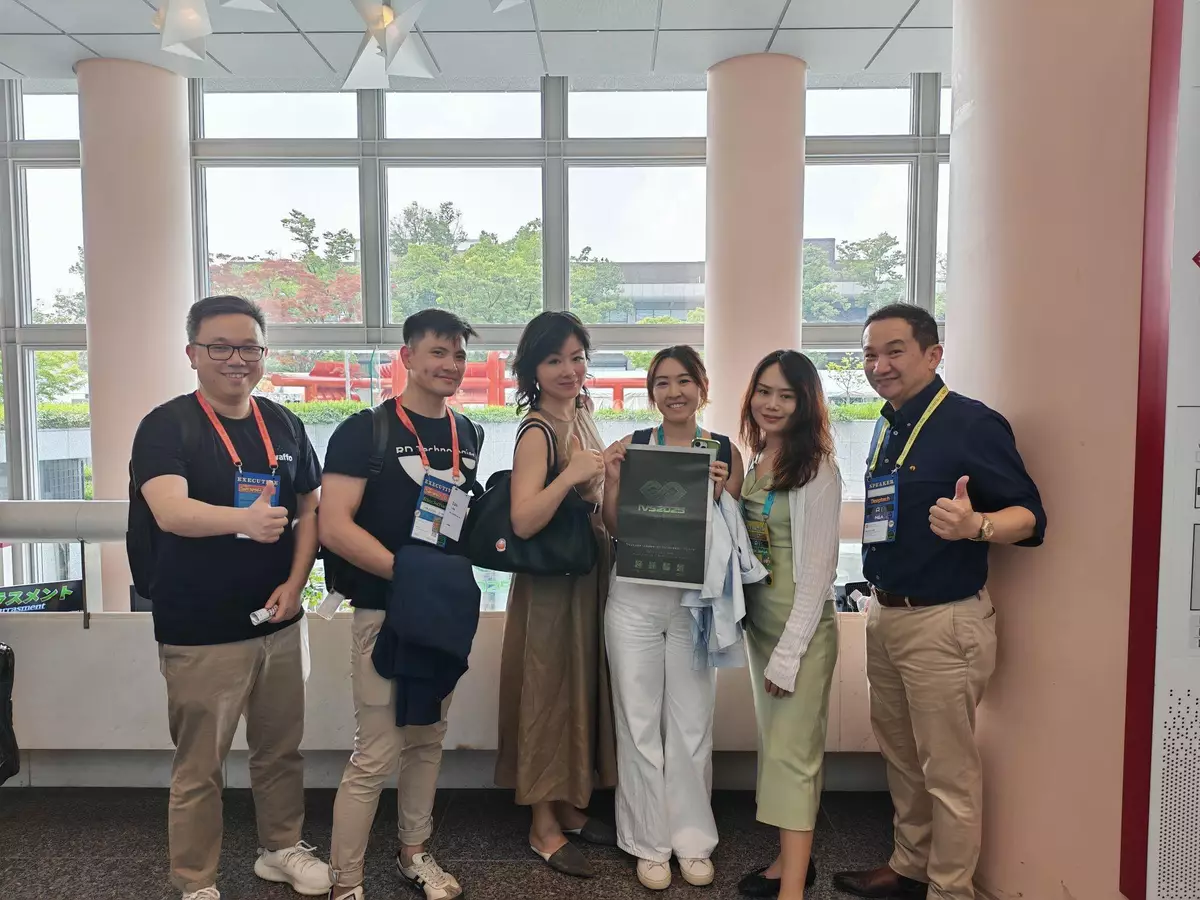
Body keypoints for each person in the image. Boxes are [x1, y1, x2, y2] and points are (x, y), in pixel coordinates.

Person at [833, 304, 1046, 900]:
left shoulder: (971, 424)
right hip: (885, 614)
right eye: (870, 354)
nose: (879, 365)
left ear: (933, 354)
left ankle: (950, 889)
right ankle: (910, 865)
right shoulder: (888, 425)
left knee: (948, 772)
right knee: (901, 757)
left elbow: (1031, 517)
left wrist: (977, 525)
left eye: (894, 351)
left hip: (943, 621)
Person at [130, 295, 332, 900]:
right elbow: (169, 510)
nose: (236, 359)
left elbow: (310, 509)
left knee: (280, 751)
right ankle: (196, 881)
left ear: (264, 353)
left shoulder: (284, 423)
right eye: (219, 346)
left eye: (249, 347)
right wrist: (243, 521)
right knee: (201, 765)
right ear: (192, 353)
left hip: (277, 619)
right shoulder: (168, 425)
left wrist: (296, 584)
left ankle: (281, 848)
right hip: (201, 626)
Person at [320, 309, 486, 900]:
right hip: (384, 611)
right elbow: (334, 525)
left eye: (459, 354)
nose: (450, 364)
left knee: (427, 740)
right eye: (438, 352)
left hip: (440, 615)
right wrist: (410, 575)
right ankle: (346, 881)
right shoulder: (364, 431)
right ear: (408, 357)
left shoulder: (468, 431)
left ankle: (414, 853)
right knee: (375, 754)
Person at [599, 345, 744, 891]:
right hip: (634, 600)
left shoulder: (722, 450)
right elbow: (616, 528)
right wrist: (614, 480)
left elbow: (732, 536)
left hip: (693, 604)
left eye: (685, 380)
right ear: (651, 393)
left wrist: (721, 492)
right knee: (637, 722)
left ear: (702, 387)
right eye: (662, 382)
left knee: (691, 724)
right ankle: (648, 843)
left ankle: (692, 841)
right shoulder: (636, 446)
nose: (674, 391)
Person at [495, 311, 620, 878]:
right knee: (547, 692)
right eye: (554, 360)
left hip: (586, 574)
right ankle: (542, 824)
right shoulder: (537, 430)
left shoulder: (582, 414)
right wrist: (571, 477)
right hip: (550, 584)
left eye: (577, 357)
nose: (569, 369)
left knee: (579, 687)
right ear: (533, 369)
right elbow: (523, 519)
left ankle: (568, 803)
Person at [736, 350, 841, 900]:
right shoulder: (757, 459)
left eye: (786, 395)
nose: (771, 404)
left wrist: (789, 652)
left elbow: (820, 571)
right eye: (764, 391)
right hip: (762, 626)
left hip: (799, 632)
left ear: (806, 403)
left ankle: (794, 889)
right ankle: (786, 861)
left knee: (793, 754)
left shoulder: (817, 468)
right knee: (778, 746)